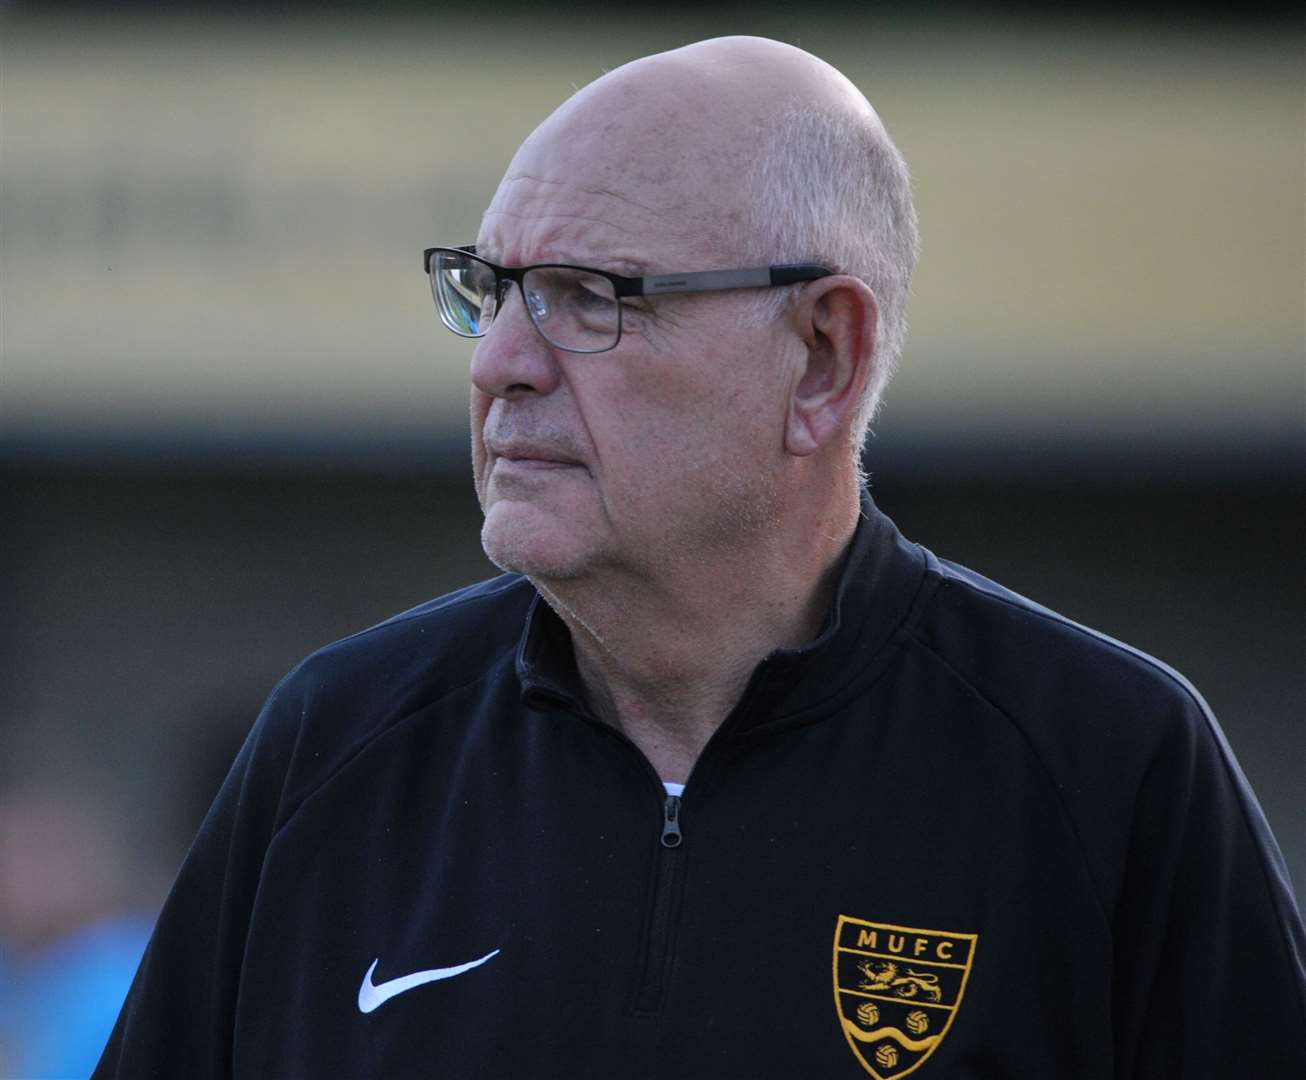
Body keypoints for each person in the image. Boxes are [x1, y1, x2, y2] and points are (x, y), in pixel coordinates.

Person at [96, 36, 1304, 1079]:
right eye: (490, 290)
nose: (497, 364)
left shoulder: (1106, 764)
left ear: (821, 357)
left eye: (585, 295)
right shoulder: (336, 744)